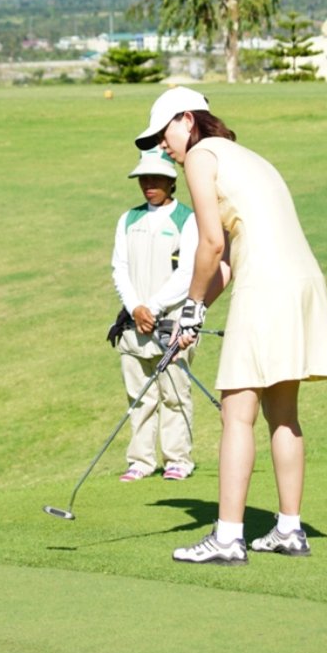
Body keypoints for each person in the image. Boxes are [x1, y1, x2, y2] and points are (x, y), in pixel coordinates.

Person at [134, 86, 327, 565]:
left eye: (164, 133)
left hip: (265, 285)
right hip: (301, 282)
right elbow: (226, 259)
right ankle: (289, 530)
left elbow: (209, 244)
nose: (163, 145)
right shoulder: (245, 156)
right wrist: (195, 313)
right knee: (282, 413)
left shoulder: (200, 156)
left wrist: (189, 306)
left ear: (188, 120)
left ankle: (228, 537)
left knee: (237, 413)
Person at [109, 149, 199, 481]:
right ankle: (141, 461)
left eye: (156, 178)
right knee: (139, 396)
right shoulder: (128, 219)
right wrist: (136, 307)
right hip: (134, 323)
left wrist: (154, 307)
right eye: (144, 178)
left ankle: (178, 459)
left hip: (172, 323)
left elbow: (188, 273)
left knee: (175, 393)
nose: (149, 184)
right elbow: (120, 268)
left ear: (171, 181)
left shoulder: (187, 219)